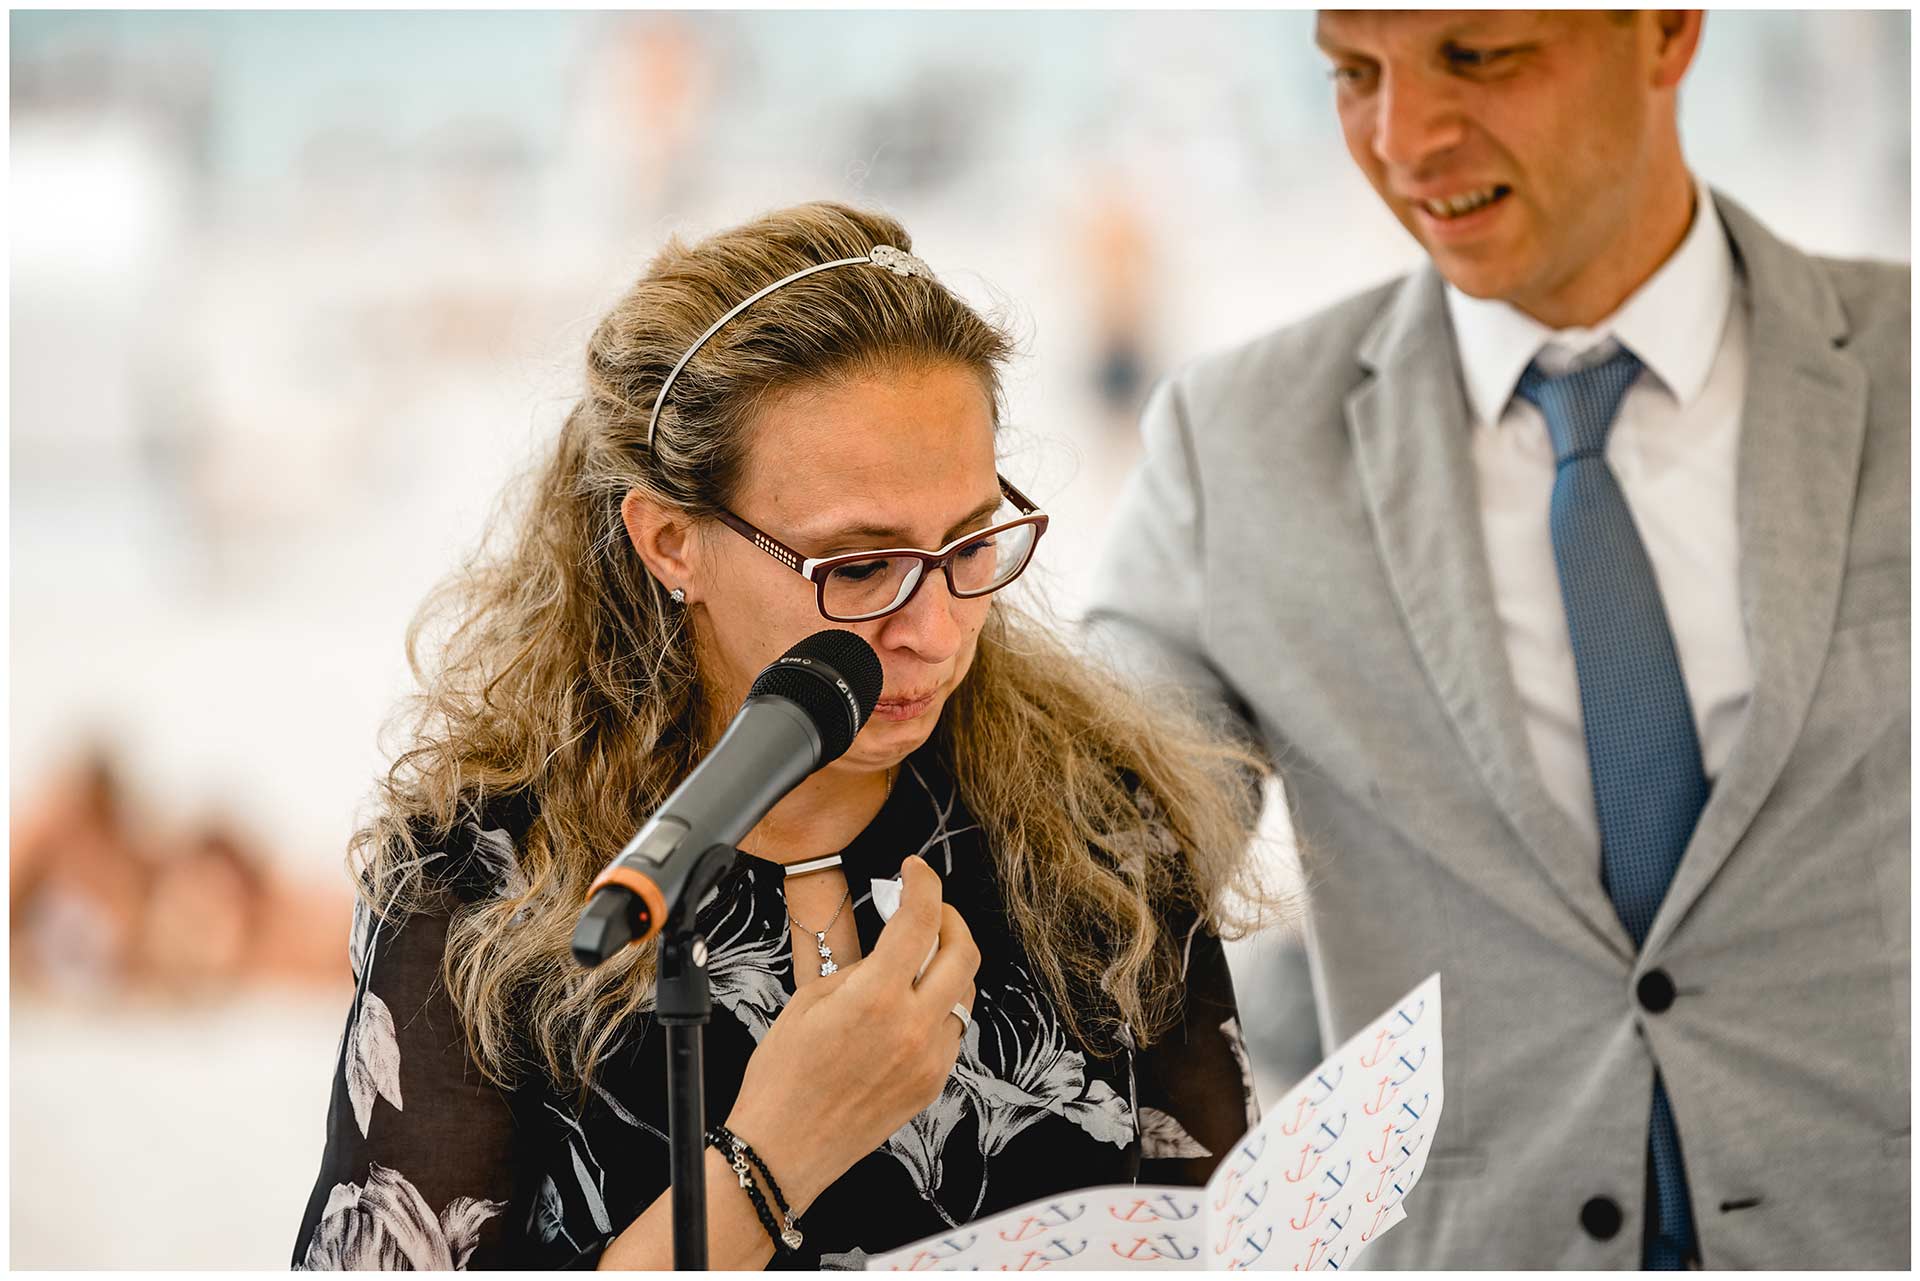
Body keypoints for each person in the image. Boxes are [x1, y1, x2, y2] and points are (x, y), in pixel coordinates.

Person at [293, 202, 1277, 1270]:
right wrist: (769, 1159)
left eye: (969, 542)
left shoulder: (1101, 829)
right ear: (672, 543)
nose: (935, 631)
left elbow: (1224, 1242)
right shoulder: (481, 891)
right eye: (858, 567)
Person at [1086, 10, 1908, 1270]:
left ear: (1668, 30)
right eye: (1354, 74)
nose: (1405, 138)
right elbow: (1107, 829)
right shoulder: (1239, 446)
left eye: (1479, 57)